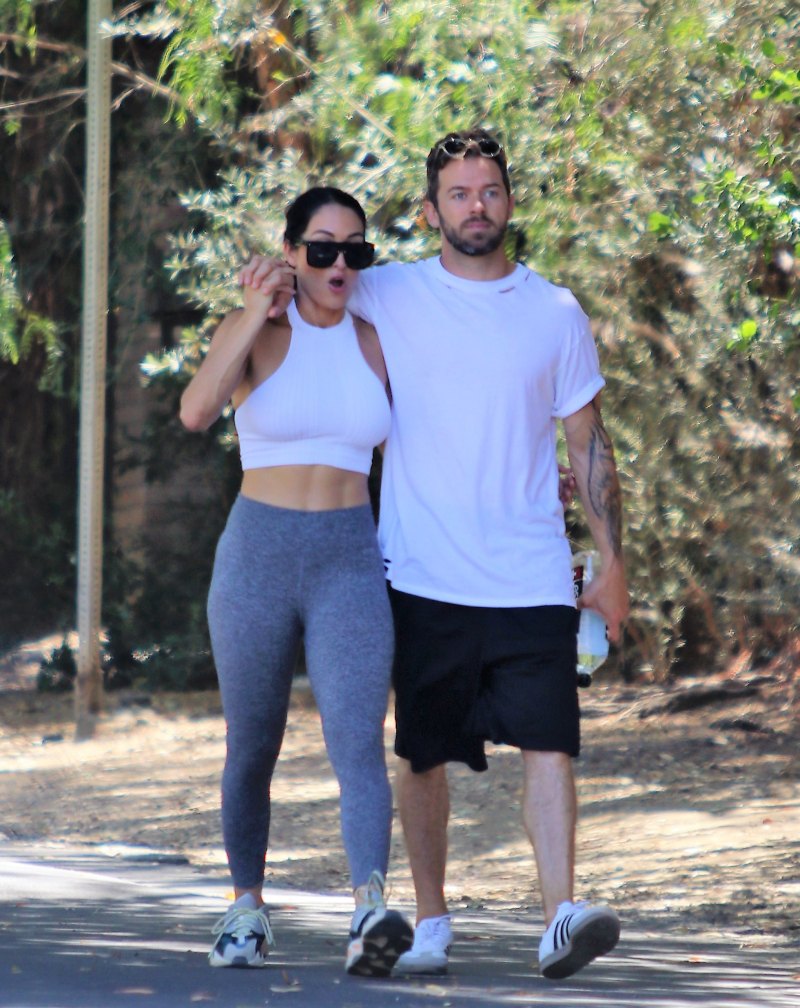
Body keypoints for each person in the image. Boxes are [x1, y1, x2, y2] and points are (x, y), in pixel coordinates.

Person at [241, 127, 630, 981]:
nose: (475, 206)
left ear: (510, 201)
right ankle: (430, 921)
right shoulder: (389, 292)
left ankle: (560, 917)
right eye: (458, 193)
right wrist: (261, 288)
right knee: (421, 756)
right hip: (420, 573)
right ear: (430, 211)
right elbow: (315, 276)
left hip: (531, 571)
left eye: (489, 190)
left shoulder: (555, 311)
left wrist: (611, 562)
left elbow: (587, 440)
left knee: (550, 745)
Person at [179, 186, 412, 977]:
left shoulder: (376, 343)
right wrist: (252, 311)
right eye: (321, 248)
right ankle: (246, 908)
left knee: (359, 740)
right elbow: (196, 412)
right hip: (258, 555)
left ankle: (369, 912)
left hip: (349, 557)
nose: (339, 263)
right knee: (252, 744)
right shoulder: (254, 333)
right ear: (291, 253)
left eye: (355, 250)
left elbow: (426, 454)